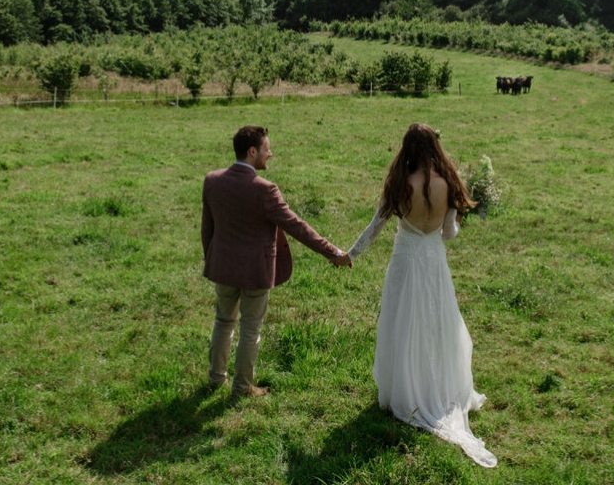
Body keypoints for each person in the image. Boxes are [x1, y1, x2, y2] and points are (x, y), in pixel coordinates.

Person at [347, 123, 497, 467]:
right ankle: (436, 387)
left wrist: (349, 255)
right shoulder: (448, 183)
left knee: (401, 323)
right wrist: (455, 219)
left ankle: (402, 391)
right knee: (436, 325)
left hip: (405, 261)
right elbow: (448, 235)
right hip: (434, 264)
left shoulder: (401, 184)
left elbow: (375, 228)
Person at [202, 125, 351, 397]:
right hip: (255, 271)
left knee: (223, 321)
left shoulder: (212, 181)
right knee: (250, 328)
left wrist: (212, 260)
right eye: (267, 149)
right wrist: (333, 252)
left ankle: (215, 379)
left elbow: (207, 230)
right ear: (252, 151)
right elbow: (297, 226)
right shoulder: (265, 190)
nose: (270, 154)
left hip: (222, 267)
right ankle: (242, 386)